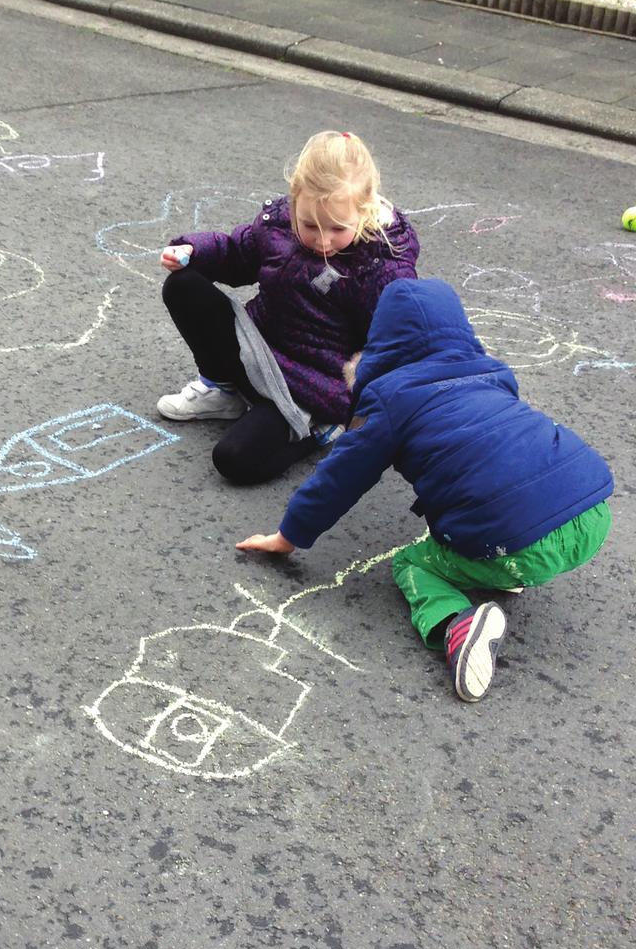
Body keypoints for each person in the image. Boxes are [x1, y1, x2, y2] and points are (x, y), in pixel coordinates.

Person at [236, 278, 613, 702]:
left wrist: (289, 536)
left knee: (412, 563)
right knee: (513, 499)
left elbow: (339, 478)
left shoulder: (390, 397)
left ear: (382, 342)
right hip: (594, 511)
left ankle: (456, 623)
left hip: (516, 538)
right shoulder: (492, 372)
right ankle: (509, 564)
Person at [156, 130, 419, 484]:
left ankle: (321, 430)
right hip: (257, 350)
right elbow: (239, 253)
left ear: (365, 210)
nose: (322, 240)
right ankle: (223, 389)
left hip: (311, 387)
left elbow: (392, 342)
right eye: (310, 225)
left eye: (337, 229)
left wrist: (362, 410)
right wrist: (192, 251)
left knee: (234, 460)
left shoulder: (380, 266)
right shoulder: (280, 224)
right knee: (184, 283)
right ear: (295, 200)